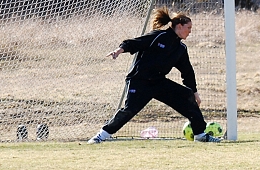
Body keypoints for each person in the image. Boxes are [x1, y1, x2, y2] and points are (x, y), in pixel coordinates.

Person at [88, 7, 219, 143]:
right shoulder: (158, 36)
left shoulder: (181, 48)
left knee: (187, 96)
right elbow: (135, 43)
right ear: (179, 26)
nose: (190, 31)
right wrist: (119, 50)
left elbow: (187, 72)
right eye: (189, 28)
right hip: (139, 81)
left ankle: (200, 135)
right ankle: (101, 136)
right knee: (129, 110)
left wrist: (195, 92)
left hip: (159, 83)